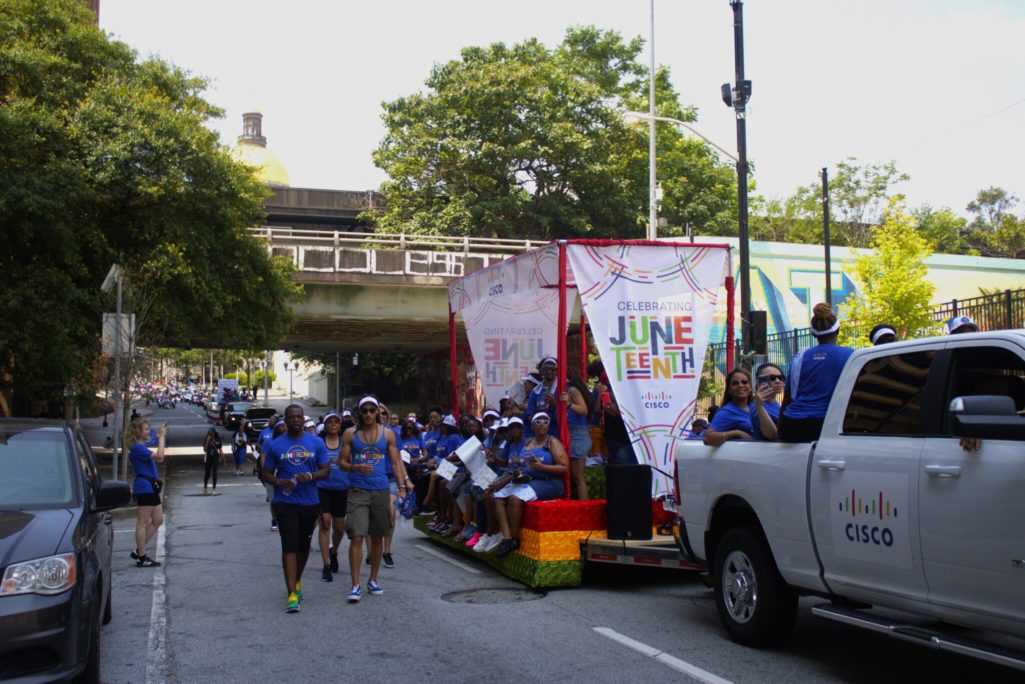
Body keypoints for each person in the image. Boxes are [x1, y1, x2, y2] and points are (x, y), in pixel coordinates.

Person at [339, 396, 413, 603]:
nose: (369, 414)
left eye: (373, 410)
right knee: (356, 537)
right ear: (359, 413)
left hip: (380, 490)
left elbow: (396, 462)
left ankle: (373, 580)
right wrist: (355, 467)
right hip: (357, 491)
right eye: (365, 411)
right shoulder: (350, 434)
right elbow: (342, 462)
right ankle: (355, 585)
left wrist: (401, 486)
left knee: (377, 537)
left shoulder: (387, 434)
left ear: (379, 413)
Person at [261, 404, 330, 613]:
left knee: (303, 547)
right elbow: (265, 472)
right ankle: (292, 593)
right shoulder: (275, 445)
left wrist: (309, 476)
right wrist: (279, 483)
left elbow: (325, 470)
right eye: (291, 417)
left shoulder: (316, 442)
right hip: (285, 502)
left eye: (299, 417)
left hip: (310, 502)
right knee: (289, 545)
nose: (296, 420)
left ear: (303, 419)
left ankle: (297, 580)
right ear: (286, 419)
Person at [491, 411, 568, 558]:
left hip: (549, 481)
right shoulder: (528, 443)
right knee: (498, 496)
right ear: (532, 425)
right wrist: (503, 481)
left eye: (545, 421)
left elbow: (564, 468)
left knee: (514, 498)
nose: (541, 425)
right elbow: (519, 465)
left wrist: (542, 467)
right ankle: (507, 537)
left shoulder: (552, 442)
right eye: (538, 422)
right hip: (527, 479)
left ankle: (515, 538)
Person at [778, 303, 856, 442]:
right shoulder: (850, 356)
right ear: (838, 330)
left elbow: (787, 398)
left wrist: (781, 430)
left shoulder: (799, 359)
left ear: (814, 334)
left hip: (792, 425)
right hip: (827, 424)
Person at [128, 417, 167, 568]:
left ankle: (139, 550)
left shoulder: (140, 446)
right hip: (144, 487)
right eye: (145, 429)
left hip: (151, 487)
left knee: (158, 520)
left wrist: (158, 437)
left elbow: (154, 447)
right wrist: (162, 438)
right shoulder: (137, 448)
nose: (148, 431)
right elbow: (160, 457)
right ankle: (142, 557)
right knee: (142, 522)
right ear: (138, 432)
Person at [316, 413, 349, 583]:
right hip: (322, 488)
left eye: (336, 422)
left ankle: (334, 551)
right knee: (325, 523)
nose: (333, 424)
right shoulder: (319, 443)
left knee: (339, 528)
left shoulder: (346, 442)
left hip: (342, 488)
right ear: (325, 425)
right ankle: (326, 565)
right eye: (330, 422)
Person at [559, 367, 594, 499]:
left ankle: (584, 508)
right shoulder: (564, 390)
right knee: (572, 477)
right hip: (568, 433)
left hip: (577, 434)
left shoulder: (572, 390)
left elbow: (584, 410)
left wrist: (569, 404)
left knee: (577, 477)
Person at [703, 369, 756, 445]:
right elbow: (707, 438)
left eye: (744, 382)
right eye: (735, 383)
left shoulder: (756, 407)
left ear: (750, 387)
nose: (740, 385)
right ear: (729, 390)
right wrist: (737, 433)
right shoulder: (727, 412)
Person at [524, 357, 559, 436]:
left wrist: (554, 404)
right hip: (539, 434)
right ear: (541, 371)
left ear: (556, 371)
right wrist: (539, 416)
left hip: (557, 432)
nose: (549, 371)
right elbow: (529, 415)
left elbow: (568, 413)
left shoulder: (562, 388)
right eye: (546, 369)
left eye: (552, 369)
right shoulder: (535, 392)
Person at [750, 362, 785, 441]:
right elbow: (772, 435)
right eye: (772, 378)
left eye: (780, 377)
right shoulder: (756, 406)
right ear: (760, 382)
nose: (778, 381)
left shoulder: (777, 405)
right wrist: (759, 406)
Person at [202, 427, 226, 495]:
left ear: (214, 433)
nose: (211, 435)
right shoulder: (207, 439)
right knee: (207, 473)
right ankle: (205, 487)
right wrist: (207, 440)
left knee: (214, 472)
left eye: (212, 433)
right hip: (208, 457)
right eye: (209, 433)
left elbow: (220, 450)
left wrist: (224, 461)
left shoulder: (218, 439)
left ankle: (214, 489)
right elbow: (204, 449)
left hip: (215, 458)